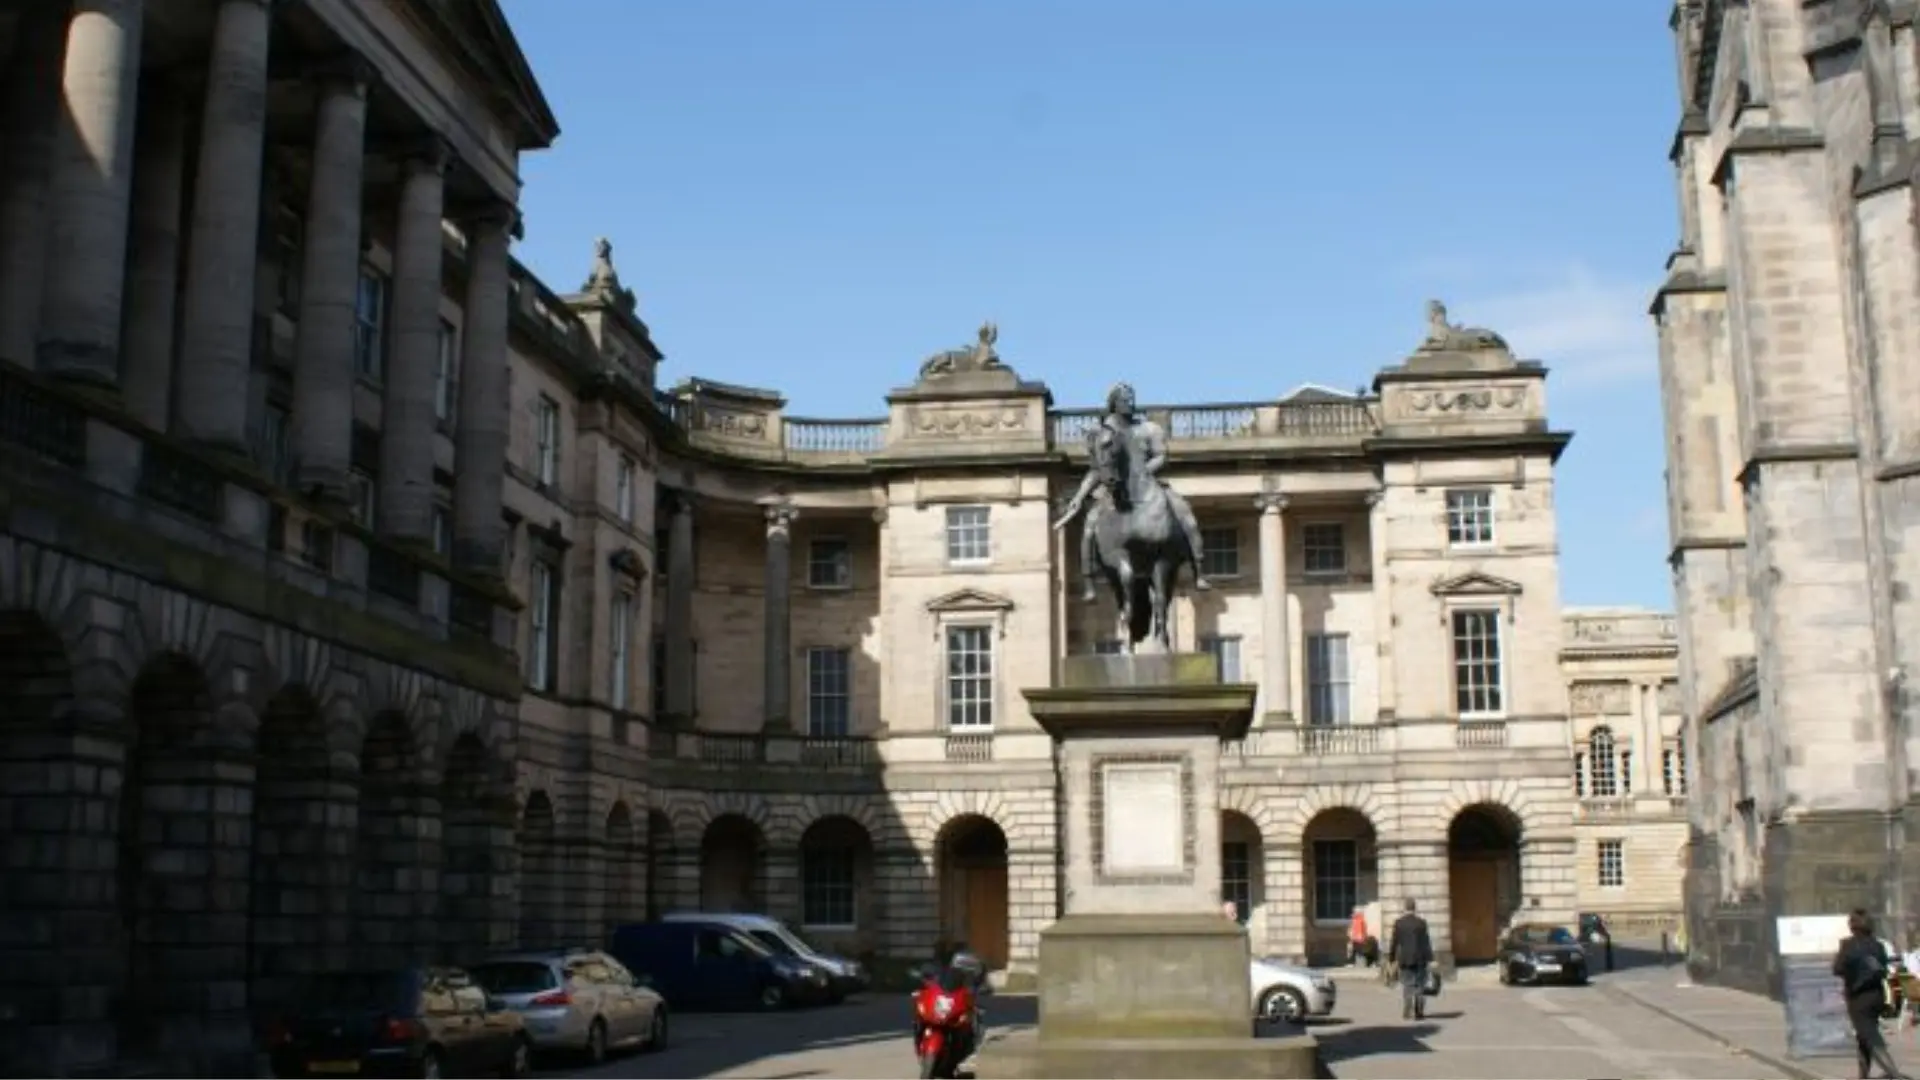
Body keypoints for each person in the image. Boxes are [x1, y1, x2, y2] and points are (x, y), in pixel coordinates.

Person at [1053, 382, 1212, 602]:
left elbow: (1161, 456)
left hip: (1149, 484)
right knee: (1089, 526)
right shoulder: (1105, 434)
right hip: (1115, 488)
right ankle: (1089, 582)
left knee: (1186, 516)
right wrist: (1079, 497)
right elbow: (1097, 469)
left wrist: (1142, 472)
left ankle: (1199, 571)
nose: (1130, 404)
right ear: (1113, 404)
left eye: (1132, 399)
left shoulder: (1149, 429)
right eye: (1124, 400)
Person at [1832, 909, 1908, 1079]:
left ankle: (1895, 1075)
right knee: (1864, 1037)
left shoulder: (1848, 945)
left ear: (1852, 926)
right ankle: (1863, 1076)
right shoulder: (1878, 945)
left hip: (1858, 999)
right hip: (1878, 995)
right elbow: (1883, 965)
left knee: (1872, 1039)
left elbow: (1837, 969)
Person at [1388, 898, 1434, 1022]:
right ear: (1415, 908)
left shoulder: (1399, 923)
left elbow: (1394, 942)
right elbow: (1426, 942)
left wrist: (1391, 958)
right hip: (1420, 959)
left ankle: (1407, 1009)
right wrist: (1431, 958)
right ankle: (1419, 1011)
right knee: (1420, 985)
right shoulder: (1421, 923)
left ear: (1405, 908)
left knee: (1407, 984)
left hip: (1405, 958)